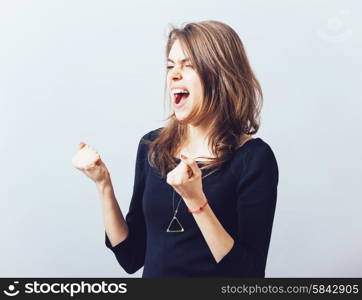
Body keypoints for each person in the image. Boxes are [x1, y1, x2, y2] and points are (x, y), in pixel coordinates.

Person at [71, 20, 279, 278]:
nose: (173, 75)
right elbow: (131, 256)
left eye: (188, 65)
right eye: (170, 66)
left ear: (221, 75)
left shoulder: (254, 159)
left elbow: (247, 275)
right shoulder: (152, 147)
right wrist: (103, 185)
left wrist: (195, 200)